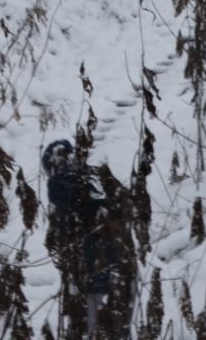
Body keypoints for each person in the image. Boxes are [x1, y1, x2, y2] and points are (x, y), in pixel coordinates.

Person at [42, 139, 137, 340]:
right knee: (119, 329)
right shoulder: (98, 175)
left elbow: (64, 228)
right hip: (125, 265)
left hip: (93, 269)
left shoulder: (58, 183)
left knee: (93, 329)